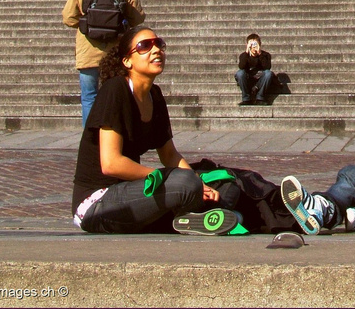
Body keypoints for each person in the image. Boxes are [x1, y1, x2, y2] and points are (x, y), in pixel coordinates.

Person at [70, 26, 240, 234]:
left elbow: (169, 154)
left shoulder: (155, 95)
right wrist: (170, 179)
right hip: (97, 204)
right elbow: (111, 163)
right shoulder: (115, 90)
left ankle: (192, 218)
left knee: (224, 183)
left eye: (159, 44)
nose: (156, 50)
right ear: (127, 61)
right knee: (184, 183)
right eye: (145, 46)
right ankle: (200, 214)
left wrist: (200, 183)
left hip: (135, 196)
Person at [62, 0, 146, 124]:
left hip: (88, 51)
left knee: (89, 97)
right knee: (116, 97)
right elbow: (137, 18)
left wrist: (88, 24)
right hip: (115, 52)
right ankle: (114, 136)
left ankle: (90, 139)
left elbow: (68, 17)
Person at [235, 32, 274, 107]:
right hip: (248, 80)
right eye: (251, 44)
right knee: (240, 73)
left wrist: (260, 54)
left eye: (255, 44)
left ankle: (260, 97)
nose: (253, 46)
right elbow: (241, 66)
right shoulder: (244, 55)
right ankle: (246, 98)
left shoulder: (266, 55)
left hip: (260, 81)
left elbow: (267, 67)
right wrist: (247, 52)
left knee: (268, 73)